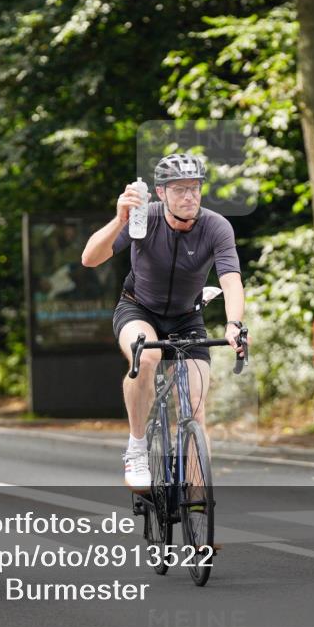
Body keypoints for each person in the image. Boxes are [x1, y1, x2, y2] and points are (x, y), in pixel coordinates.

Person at [81, 153, 246, 491]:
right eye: (180, 189)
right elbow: (89, 258)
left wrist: (234, 324)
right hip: (138, 309)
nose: (189, 196)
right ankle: (137, 447)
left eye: (195, 188)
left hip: (188, 318)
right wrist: (119, 219)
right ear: (160, 192)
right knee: (148, 356)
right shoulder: (143, 219)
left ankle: (199, 506)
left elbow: (230, 279)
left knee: (195, 412)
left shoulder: (216, 226)